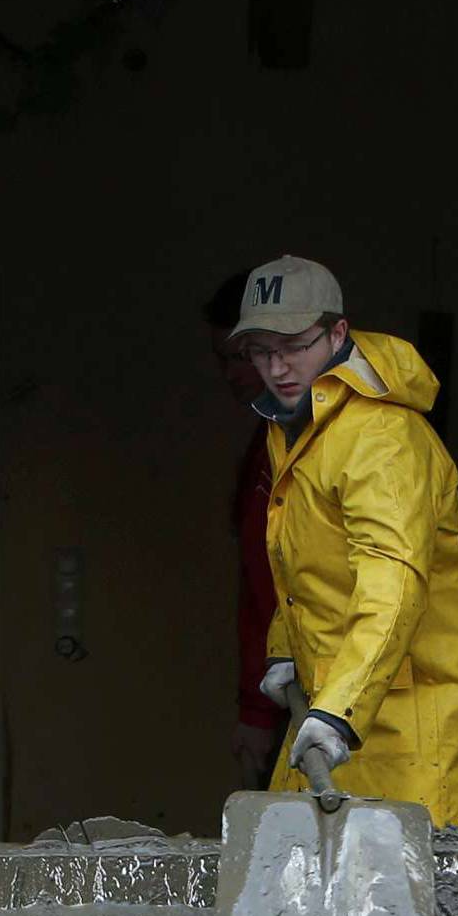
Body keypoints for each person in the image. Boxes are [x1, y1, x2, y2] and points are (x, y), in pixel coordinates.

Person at [235, 255, 458, 829]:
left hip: (415, 717)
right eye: (260, 351)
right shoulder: (301, 421)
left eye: (294, 346)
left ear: (337, 333)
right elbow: (307, 554)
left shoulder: (382, 438)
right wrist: (286, 645)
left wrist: (337, 712)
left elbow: (393, 579)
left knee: (412, 895)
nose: (277, 367)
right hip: (340, 708)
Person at [203, 272, 283, 789]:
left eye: (242, 356)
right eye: (223, 360)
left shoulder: (330, 438)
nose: (231, 374)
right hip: (287, 689)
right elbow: (260, 590)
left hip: (327, 698)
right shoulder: (269, 441)